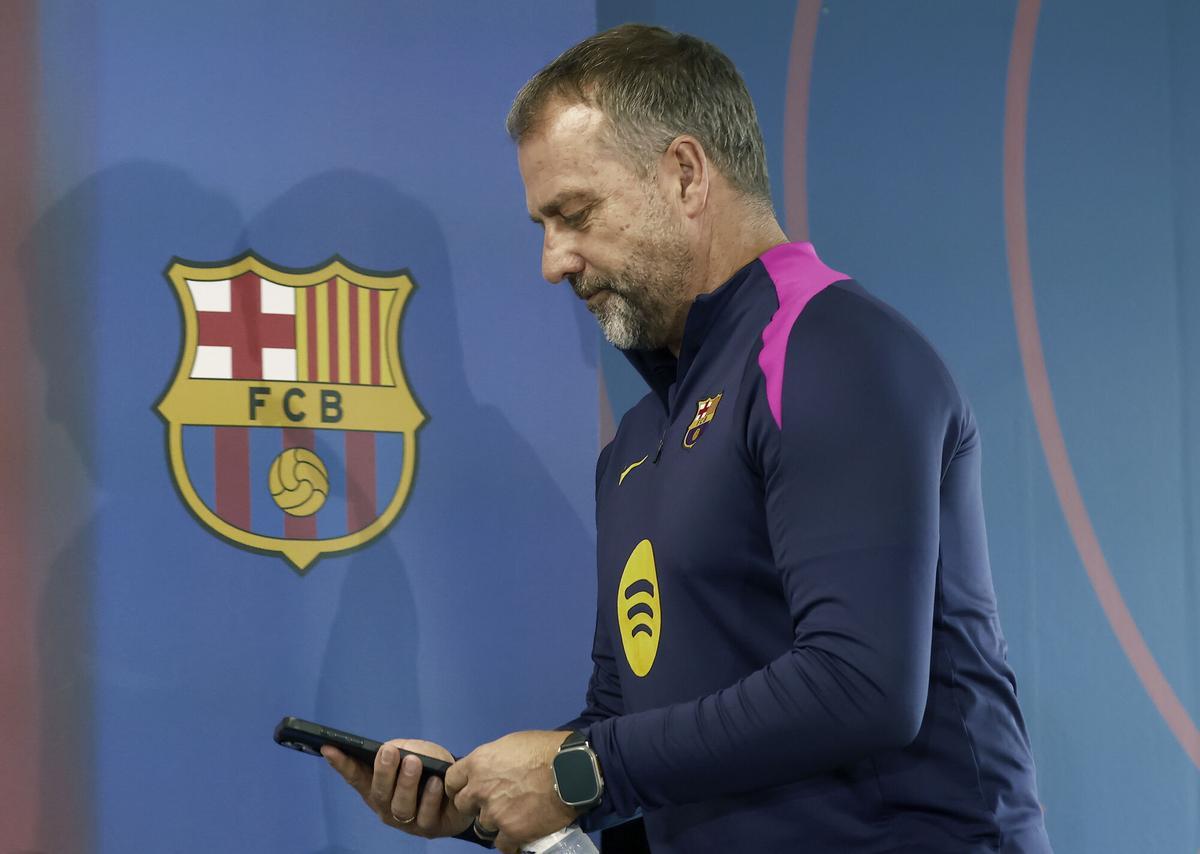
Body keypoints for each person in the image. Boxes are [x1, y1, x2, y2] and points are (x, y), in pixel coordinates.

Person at [322, 23, 1053, 854]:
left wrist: (577, 771)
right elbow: (625, 725)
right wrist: (484, 797)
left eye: (575, 214)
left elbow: (860, 683)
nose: (554, 262)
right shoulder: (636, 442)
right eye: (541, 226)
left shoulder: (829, 350)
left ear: (685, 174)